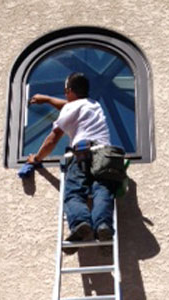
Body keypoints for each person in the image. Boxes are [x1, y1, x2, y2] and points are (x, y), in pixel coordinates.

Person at [27, 72, 119, 254]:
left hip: (82, 153)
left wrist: (36, 159)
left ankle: (81, 224)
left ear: (69, 91)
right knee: (102, 191)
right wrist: (47, 99)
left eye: (65, 91)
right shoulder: (94, 105)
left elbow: (52, 140)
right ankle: (102, 226)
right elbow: (70, 105)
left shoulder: (71, 108)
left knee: (74, 194)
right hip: (105, 156)